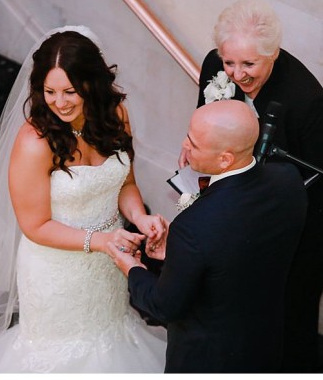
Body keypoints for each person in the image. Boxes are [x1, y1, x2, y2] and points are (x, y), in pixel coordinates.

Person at [0, 27, 168, 372]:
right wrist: (103, 241)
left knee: (109, 341)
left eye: (70, 91)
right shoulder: (35, 142)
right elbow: (35, 225)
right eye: (50, 91)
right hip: (57, 270)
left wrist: (140, 219)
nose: (59, 102)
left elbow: (125, 183)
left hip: (111, 264)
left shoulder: (115, 116)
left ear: (92, 84)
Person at [187, 0, 323, 372]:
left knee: (288, 317)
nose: (237, 75)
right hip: (242, 210)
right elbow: (206, 123)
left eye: (249, 64)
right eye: (230, 62)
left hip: (305, 217)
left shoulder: (304, 99)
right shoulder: (215, 69)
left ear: (273, 53)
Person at [111, 100, 307, 372]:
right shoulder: (288, 181)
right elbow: (243, 251)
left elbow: (164, 305)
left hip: (207, 360)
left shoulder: (193, 227)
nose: (185, 145)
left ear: (225, 159)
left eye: (193, 143)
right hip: (263, 346)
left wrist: (131, 267)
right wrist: (180, 255)